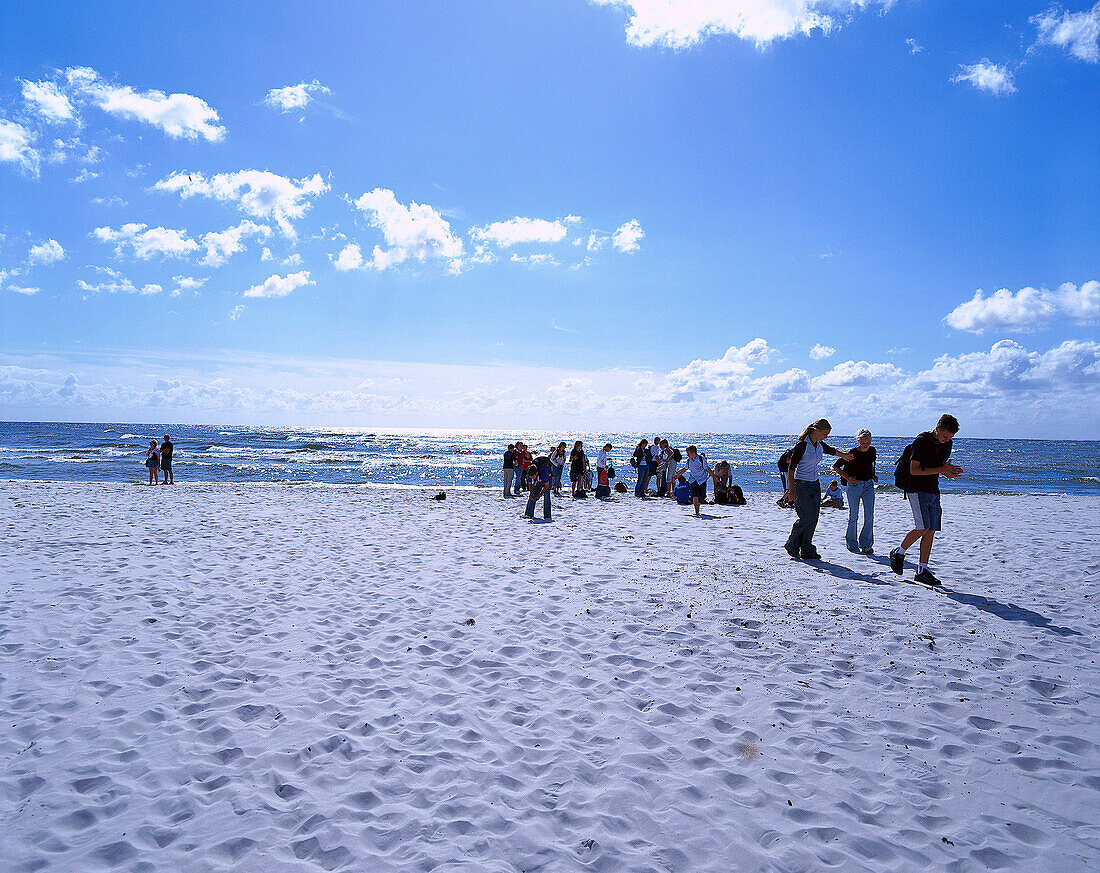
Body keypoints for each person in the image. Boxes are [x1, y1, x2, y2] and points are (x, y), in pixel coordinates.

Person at [890, 414, 963, 586]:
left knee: (931, 530)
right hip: (916, 488)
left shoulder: (947, 444)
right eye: (945, 436)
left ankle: (922, 570)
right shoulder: (922, 441)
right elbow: (914, 470)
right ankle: (898, 552)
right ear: (938, 428)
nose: (947, 441)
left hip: (933, 488)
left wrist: (947, 471)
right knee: (922, 527)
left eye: (950, 438)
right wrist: (941, 469)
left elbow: (937, 467)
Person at [782, 419, 853, 560]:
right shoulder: (802, 446)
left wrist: (844, 455)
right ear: (816, 430)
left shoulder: (818, 445)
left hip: (814, 484)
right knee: (806, 517)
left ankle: (807, 549)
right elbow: (791, 469)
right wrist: (791, 489)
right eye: (825, 434)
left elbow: (831, 451)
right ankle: (792, 543)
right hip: (801, 484)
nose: (825, 437)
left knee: (814, 518)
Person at [834, 428, 877, 554]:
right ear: (858, 441)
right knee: (854, 515)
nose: (866, 445)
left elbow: (872, 464)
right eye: (863, 443)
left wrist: (873, 475)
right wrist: (847, 478)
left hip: (869, 484)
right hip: (854, 486)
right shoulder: (852, 453)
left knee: (870, 515)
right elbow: (836, 466)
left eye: (868, 442)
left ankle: (866, 544)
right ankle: (852, 544)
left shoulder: (872, 450)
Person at [673, 445, 712, 516]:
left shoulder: (701, 459)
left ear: (693, 453)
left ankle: (698, 505)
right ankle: (697, 512)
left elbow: (707, 468)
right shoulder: (689, 461)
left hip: (702, 480)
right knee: (695, 496)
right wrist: (678, 475)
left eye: (688, 453)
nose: (687, 455)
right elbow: (685, 469)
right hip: (693, 480)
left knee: (702, 497)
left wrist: (714, 477)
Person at [525, 455, 553, 521]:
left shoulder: (543, 471)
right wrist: (531, 493)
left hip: (548, 479)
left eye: (533, 477)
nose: (532, 478)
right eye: (531, 478)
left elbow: (546, 485)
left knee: (546, 497)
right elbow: (530, 484)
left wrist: (540, 495)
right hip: (538, 480)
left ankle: (547, 516)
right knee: (532, 495)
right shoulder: (529, 472)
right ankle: (528, 514)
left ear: (536, 473)